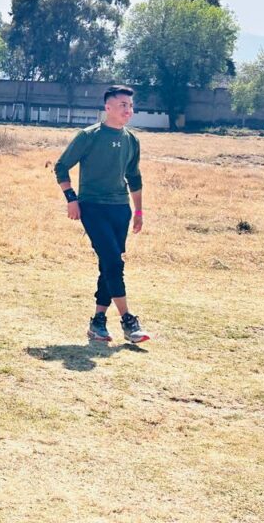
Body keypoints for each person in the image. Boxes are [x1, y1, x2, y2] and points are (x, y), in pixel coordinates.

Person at [54, 85, 149, 344]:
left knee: (109, 263)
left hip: (121, 209)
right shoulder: (89, 136)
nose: (128, 110)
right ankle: (128, 321)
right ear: (108, 107)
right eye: (123, 105)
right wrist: (71, 199)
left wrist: (139, 211)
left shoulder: (132, 140)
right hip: (93, 207)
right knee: (114, 263)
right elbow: (61, 166)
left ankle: (98, 322)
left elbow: (134, 177)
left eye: (131, 105)